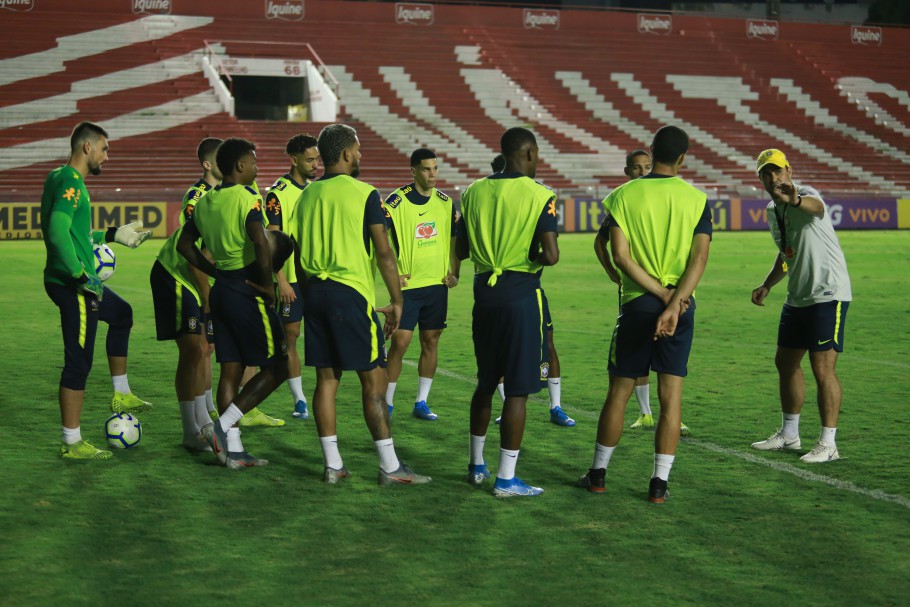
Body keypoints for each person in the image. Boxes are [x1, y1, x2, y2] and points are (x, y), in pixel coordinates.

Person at [577, 125, 711, 503]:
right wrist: (675, 300)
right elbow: (699, 259)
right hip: (681, 306)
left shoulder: (622, 196)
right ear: (683, 157)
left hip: (638, 303)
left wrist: (659, 294)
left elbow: (620, 257)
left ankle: (598, 474)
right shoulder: (697, 199)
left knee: (619, 392)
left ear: (651, 153)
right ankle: (658, 485)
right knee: (671, 398)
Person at [293, 123, 430, 486]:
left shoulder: (306, 195)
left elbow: (297, 251)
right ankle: (390, 467)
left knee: (326, 379)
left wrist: (311, 295)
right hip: (350, 293)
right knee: (374, 381)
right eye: (357, 149)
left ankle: (333, 465)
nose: (360, 154)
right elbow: (384, 253)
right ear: (345, 154)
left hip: (314, 293)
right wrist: (397, 301)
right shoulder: (365, 193)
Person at [457, 127, 560, 497]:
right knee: (517, 389)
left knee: (486, 382)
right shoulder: (541, 194)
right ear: (529, 153)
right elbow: (551, 255)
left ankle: (476, 465)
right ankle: (506, 479)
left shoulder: (472, 191)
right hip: (520, 295)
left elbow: (462, 249)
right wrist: (529, 253)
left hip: (484, 293)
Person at [41, 121, 153, 460]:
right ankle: (72, 442)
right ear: (87, 147)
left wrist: (114, 234)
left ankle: (121, 393)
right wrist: (79, 275)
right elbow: (57, 231)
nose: (107, 155)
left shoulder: (60, 177)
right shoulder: (71, 182)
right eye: (104, 148)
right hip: (74, 285)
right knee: (78, 363)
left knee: (121, 314)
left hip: (76, 281)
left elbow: (77, 235)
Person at [177, 137, 290, 469]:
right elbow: (260, 240)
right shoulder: (247, 196)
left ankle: (233, 452)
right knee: (279, 367)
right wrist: (267, 284)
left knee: (231, 368)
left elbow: (184, 245)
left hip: (222, 289)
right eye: (254, 161)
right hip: (246, 289)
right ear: (240, 165)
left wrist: (213, 271)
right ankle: (222, 426)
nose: (257, 167)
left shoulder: (206, 202)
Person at [749, 149, 852, 463]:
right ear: (760, 178)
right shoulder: (772, 210)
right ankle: (789, 434)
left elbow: (816, 208)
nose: (774, 178)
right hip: (798, 296)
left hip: (828, 293)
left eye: (778, 171)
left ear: (789, 171)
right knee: (785, 362)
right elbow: (787, 253)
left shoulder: (805, 195)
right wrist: (767, 284)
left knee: (823, 368)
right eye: (767, 173)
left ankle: (828, 444)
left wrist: (794, 199)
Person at [594, 149, 690, 435]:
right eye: (636, 168)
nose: (642, 172)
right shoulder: (625, 201)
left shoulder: (657, 197)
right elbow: (601, 243)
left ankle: (668, 415)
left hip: (666, 289)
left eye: (647, 166)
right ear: (627, 171)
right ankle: (646, 412)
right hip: (637, 291)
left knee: (666, 356)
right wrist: (613, 274)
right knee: (637, 356)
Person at [489, 154, 575, 428]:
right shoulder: (494, 203)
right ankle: (509, 406)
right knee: (502, 351)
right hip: (507, 289)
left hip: (522, 290)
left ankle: (556, 406)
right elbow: (550, 253)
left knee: (546, 345)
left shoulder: (529, 201)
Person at [151, 138, 223, 453]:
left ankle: (204, 415)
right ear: (207, 164)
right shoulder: (198, 197)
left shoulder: (227, 195)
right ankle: (192, 430)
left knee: (204, 348)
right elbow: (195, 252)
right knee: (193, 349)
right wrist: (208, 300)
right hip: (177, 275)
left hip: (198, 277)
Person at [382, 148, 460, 421]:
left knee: (431, 341)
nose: (432, 174)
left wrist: (455, 272)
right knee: (400, 343)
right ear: (413, 171)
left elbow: (454, 240)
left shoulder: (446, 202)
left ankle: (421, 402)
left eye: (435, 168)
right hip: (408, 287)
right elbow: (379, 237)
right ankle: (386, 402)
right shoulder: (395, 202)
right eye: (426, 169)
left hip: (437, 285)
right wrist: (393, 275)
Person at [265, 134, 320, 422]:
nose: (315, 165)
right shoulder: (278, 193)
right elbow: (272, 241)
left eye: (317, 159)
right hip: (292, 279)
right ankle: (299, 399)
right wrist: (282, 279)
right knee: (292, 336)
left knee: (322, 336)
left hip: (317, 277)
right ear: (293, 159)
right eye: (309, 160)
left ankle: (323, 394)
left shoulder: (317, 190)